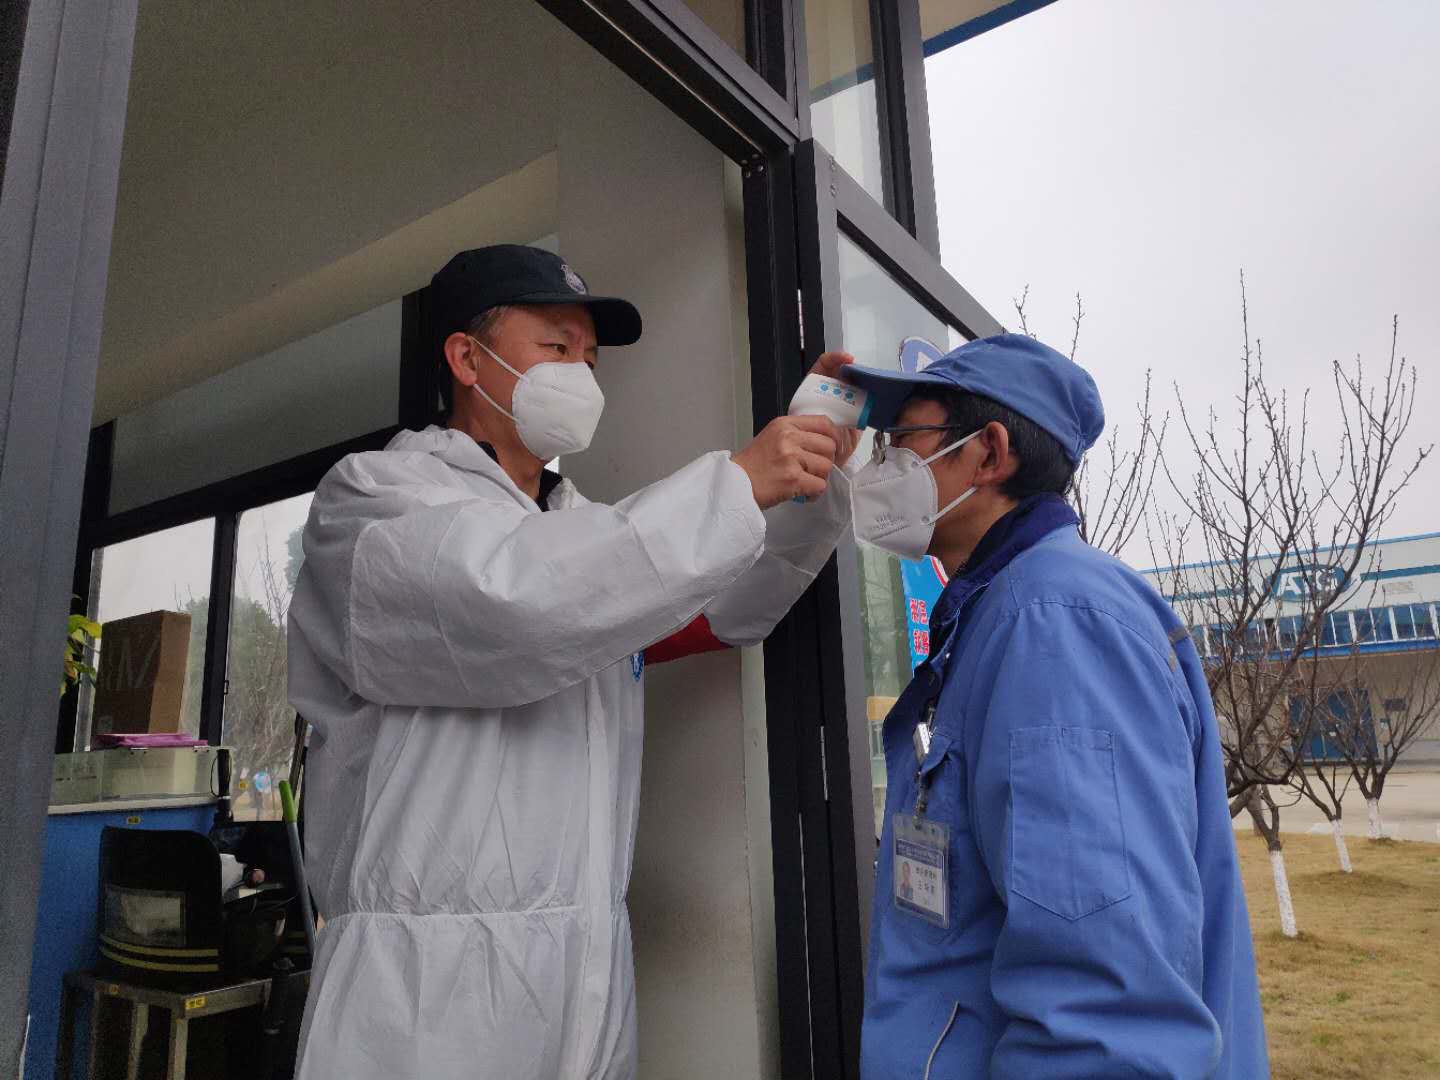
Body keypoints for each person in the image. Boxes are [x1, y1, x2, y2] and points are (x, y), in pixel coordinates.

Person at [287, 245, 859, 1079]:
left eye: (589, 359)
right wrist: (737, 482)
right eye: (556, 347)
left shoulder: (583, 532)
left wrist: (809, 482)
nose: (581, 375)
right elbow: (513, 601)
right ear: (466, 359)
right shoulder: (376, 500)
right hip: (425, 997)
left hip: (584, 972)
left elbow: (721, 604)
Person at [843, 334, 1268, 1078]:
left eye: (902, 440)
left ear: (989, 452)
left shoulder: (1055, 622)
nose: (882, 466)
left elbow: (1105, 1009)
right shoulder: (1004, 610)